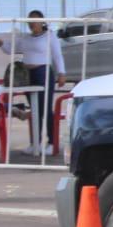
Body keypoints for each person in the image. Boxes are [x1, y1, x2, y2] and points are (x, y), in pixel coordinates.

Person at [19, 9, 66, 156]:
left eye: (35, 20)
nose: (32, 23)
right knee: (34, 109)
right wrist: (0, 43)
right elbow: (11, 48)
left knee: (44, 108)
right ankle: (35, 143)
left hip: (43, 72)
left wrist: (61, 73)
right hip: (27, 74)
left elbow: (57, 55)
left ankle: (52, 142)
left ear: (42, 21)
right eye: (30, 20)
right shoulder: (26, 37)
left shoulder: (49, 36)